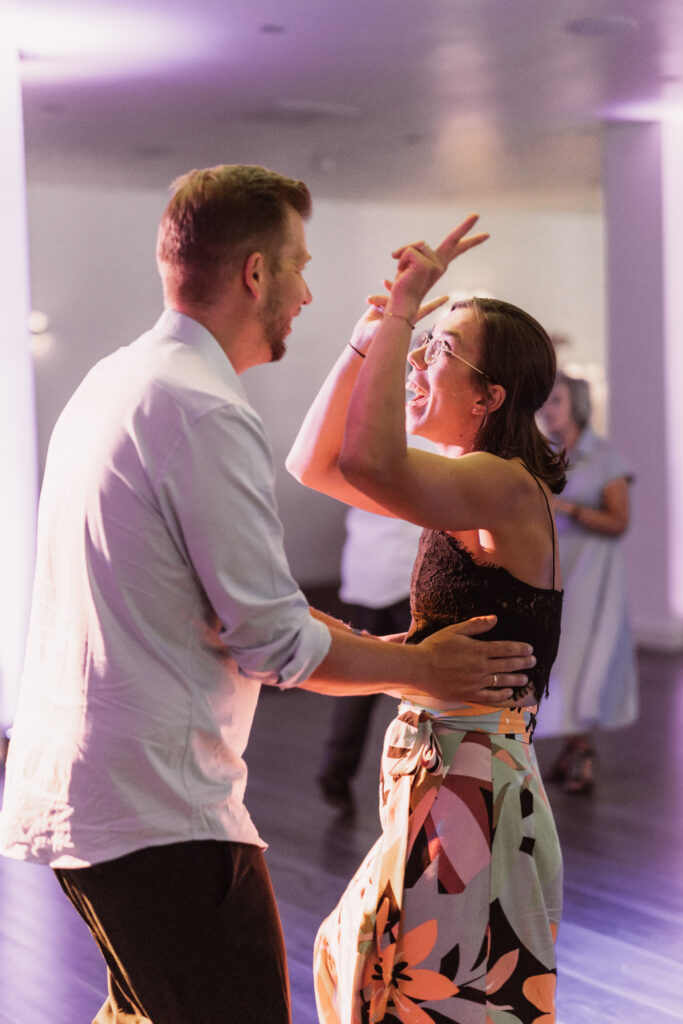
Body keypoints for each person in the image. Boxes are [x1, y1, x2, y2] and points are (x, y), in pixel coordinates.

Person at [0, 167, 536, 1024]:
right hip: (156, 808)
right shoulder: (201, 410)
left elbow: (239, 606)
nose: (306, 293)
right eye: (299, 265)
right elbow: (273, 638)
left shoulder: (119, 379)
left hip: (88, 791)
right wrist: (418, 668)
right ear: (256, 273)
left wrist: (384, 656)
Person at [287, 215, 566, 1023]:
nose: (414, 361)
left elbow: (366, 459)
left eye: (437, 350)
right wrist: (369, 332)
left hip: (472, 790)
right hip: (441, 775)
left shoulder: (502, 484)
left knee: (426, 1000)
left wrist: (405, 310)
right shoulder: (469, 485)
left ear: (487, 396)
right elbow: (313, 463)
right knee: (382, 981)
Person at [535, 370, 638, 793]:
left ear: (576, 405)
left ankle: (581, 751)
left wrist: (568, 509)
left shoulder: (605, 457)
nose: (547, 409)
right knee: (558, 660)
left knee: (580, 659)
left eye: (556, 401)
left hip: (593, 576)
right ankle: (572, 747)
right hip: (554, 571)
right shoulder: (544, 454)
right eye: (545, 401)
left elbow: (619, 522)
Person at [317, 502, 421, 815]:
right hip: (404, 571)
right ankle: (419, 784)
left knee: (359, 678)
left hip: (367, 565)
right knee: (420, 686)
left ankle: (336, 772)